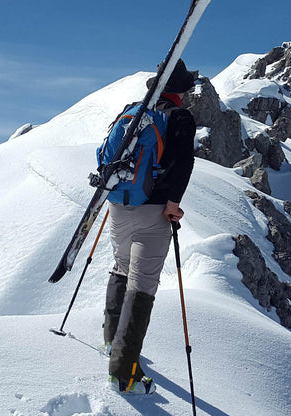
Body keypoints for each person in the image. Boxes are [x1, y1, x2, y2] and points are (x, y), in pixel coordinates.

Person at [104, 59, 196, 394]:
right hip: (153, 210)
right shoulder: (180, 117)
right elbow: (184, 161)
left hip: (119, 202)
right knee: (142, 285)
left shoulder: (134, 111)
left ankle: (110, 342)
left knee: (122, 267)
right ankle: (124, 372)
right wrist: (173, 201)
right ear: (180, 91)